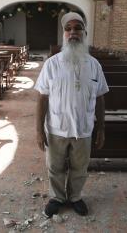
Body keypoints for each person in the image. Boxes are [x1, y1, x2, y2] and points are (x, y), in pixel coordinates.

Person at [34, 12, 109, 218]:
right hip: (57, 126)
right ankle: (57, 197)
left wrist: (101, 127)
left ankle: (75, 197)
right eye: (68, 29)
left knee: (80, 168)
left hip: (84, 129)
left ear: (84, 32)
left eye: (77, 28)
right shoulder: (52, 64)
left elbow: (101, 97)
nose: (73, 32)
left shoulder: (94, 65)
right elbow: (42, 98)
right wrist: (39, 130)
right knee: (55, 167)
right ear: (63, 34)